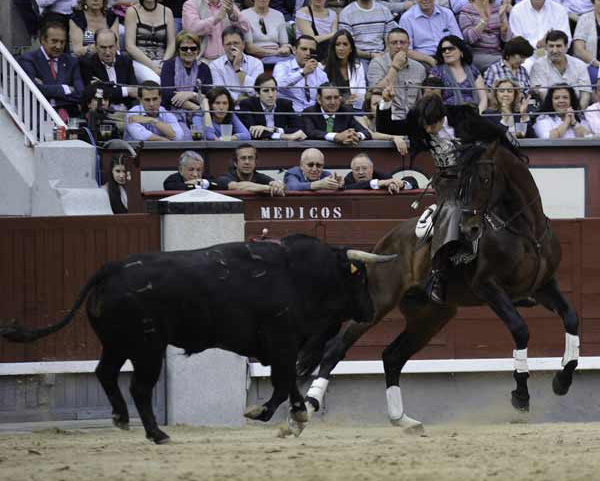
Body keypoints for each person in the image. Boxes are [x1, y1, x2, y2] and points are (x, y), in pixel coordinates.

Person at [376, 89, 519, 303]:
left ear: (443, 117)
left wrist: (514, 154)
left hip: (473, 177)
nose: (428, 130)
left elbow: (496, 132)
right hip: (447, 183)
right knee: (451, 212)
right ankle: (438, 274)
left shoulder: (464, 118)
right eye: (425, 126)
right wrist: (385, 103)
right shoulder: (420, 121)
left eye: (432, 125)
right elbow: (386, 127)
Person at [19, 21, 84, 120]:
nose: (59, 46)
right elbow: (35, 90)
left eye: (62, 42)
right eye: (54, 41)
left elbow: (80, 93)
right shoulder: (28, 60)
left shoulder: (71, 61)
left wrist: (47, 88)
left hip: (70, 117)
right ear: (43, 40)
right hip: (39, 117)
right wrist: (65, 89)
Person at [367, 27, 426, 120]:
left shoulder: (419, 68)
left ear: (409, 44)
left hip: (412, 119)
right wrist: (395, 67)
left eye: (402, 43)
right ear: (387, 45)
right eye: (394, 43)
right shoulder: (377, 63)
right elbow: (376, 91)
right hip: (387, 118)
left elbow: (420, 99)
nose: (399, 46)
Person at [529, 29, 591, 108]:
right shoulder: (538, 66)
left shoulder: (579, 65)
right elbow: (543, 94)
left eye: (558, 46)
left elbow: (585, 93)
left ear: (566, 47)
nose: (554, 50)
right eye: (551, 46)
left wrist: (578, 113)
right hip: (549, 114)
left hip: (576, 112)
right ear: (546, 48)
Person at [79, 29, 138, 110]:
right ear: (96, 46)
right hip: (102, 111)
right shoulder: (87, 63)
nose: (108, 52)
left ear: (117, 45)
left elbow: (135, 90)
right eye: (103, 47)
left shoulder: (126, 60)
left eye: (111, 47)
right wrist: (126, 91)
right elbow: (97, 93)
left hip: (126, 110)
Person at [237, 74, 307, 140]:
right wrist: (285, 136)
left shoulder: (285, 104)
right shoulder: (247, 105)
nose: (271, 95)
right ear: (257, 93)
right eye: (266, 91)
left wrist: (272, 129)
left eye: (273, 90)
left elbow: (299, 129)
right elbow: (253, 133)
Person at [399, 0, 463, 70]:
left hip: (448, 53)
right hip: (423, 59)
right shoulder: (406, 18)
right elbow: (406, 50)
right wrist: (429, 59)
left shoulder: (447, 13)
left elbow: (458, 40)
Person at [430, 36, 488, 113]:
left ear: (461, 51)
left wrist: (477, 114)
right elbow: (432, 100)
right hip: (448, 116)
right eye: (443, 50)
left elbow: (483, 99)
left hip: (474, 115)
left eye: (450, 48)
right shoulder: (436, 72)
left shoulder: (473, 70)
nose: (447, 51)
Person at [338, 0, 397, 74]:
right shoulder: (346, 13)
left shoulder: (384, 10)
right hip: (358, 57)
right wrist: (371, 55)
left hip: (382, 55)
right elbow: (348, 46)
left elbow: (390, 40)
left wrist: (385, 54)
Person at [160, 30, 213, 113]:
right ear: (178, 50)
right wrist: (196, 108)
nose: (189, 51)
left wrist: (190, 94)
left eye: (193, 48)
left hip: (199, 116)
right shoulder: (168, 65)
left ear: (198, 50)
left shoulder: (204, 68)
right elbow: (167, 95)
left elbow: (209, 95)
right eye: (184, 48)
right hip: (171, 112)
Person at [273, 35, 329, 112]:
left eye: (311, 50)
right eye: (304, 49)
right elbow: (279, 85)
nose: (308, 53)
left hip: (312, 115)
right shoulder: (282, 66)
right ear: (294, 50)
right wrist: (303, 72)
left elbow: (325, 97)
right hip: (289, 114)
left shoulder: (321, 73)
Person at [209, 25, 264, 103]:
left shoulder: (256, 63)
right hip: (227, 108)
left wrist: (237, 68)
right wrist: (239, 98)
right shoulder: (215, 65)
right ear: (223, 46)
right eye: (228, 44)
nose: (232, 47)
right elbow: (220, 93)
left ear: (243, 45)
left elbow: (255, 90)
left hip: (251, 107)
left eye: (236, 43)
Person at [124, 0, 176, 83]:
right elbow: (130, 46)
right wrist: (153, 67)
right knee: (156, 81)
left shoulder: (167, 11)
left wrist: (164, 63)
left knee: (176, 79)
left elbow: (172, 43)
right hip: (141, 61)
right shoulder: (132, 11)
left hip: (163, 61)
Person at [181, 0, 249, 63]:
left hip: (230, 59)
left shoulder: (227, 3)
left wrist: (233, 16)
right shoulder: (191, 4)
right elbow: (190, 30)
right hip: (203, 60)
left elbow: (245, 28)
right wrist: (216, 19)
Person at [302, 83, 372, 144]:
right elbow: (311, 132)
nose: (333, 102)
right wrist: (335, 136)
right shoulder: (310, 112)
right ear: (319, 99)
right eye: (328, 98)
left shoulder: (345, 112)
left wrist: (356, 136)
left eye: (336, 97)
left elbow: (366, 132)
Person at [458, 0, 511, 73]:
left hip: (497, 53)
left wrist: (502, 20)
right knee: (506, 64)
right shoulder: (466, 11)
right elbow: (469, 39)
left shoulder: (497, 8)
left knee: (516, 60)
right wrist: (484, 21)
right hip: (477, 54)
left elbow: (507, 39)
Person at [216, 144, 286, 196]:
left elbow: (275, 183)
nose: (247, 162)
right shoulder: (224, 178)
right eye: (243, 158)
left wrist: (278, 185)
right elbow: (238, 186)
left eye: (251, 158)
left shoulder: (260, 177)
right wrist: (268, 188)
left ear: (255, 162)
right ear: (235, 163)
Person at [323, 30, 366, 110]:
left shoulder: (358, 67)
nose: (341, 48)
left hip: (354, 109)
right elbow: (322, 96)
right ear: (333, 47)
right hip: (332, 110)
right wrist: (343, 101)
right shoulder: (323, 67)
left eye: (345, 44)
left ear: (351, 49)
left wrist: (355, 99)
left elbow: (362, 93)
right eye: (338, 44)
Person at [356, 89, 408, 154]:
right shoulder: (362, 120)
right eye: (376, 104)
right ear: (369, 108)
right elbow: (370, 134)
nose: (380, 107)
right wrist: (393, 137)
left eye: (382, 103)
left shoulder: (393, 120)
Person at [241, 0, 292, 65]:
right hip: (255, 58)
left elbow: (284, 43)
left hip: (278, 57)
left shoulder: (279, 15)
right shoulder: (244, 15)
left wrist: (286, 49)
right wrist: (276, 52)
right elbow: (249, 48)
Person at [343, 152, 417, 192]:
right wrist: (380, 183)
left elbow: (412, 182)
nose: (361, 172)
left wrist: (401, 184)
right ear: (352, 170)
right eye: (356, 169)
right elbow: (349, 187)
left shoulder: (383, 176)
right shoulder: (348, 179)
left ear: (372, 169)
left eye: (364, 168)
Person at [573, 0, 600, 86]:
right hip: (591, 64)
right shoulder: (585, 19)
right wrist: (597, 63)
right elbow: (578, 49)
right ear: (593, 2)